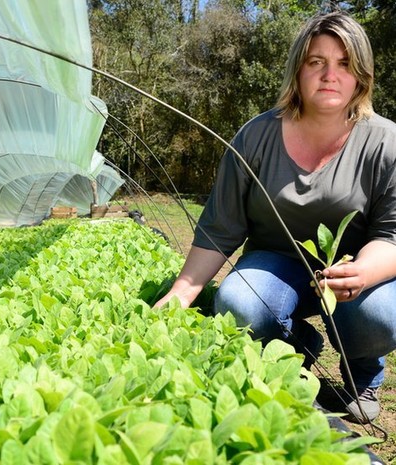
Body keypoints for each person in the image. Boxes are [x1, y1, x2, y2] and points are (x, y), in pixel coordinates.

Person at [155, 11, 396, 424]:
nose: (329, 75)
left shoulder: (386, 141)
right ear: (298, 71)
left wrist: (364, 273)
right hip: (274, 262)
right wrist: (182, 292)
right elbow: (220, 226)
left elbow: (392, 234)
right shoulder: (256, 135)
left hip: (352, 270)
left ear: (361, 76)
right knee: (238, 302)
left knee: (380, 314)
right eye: (316, 62)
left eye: (344, 64)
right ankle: (295, 349)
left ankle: (362, 372)